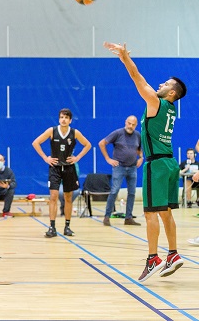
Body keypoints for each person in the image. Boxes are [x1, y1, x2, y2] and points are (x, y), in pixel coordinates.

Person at [104, 41, 187, 282]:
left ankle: (153, 258)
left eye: (166, 84)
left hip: (157, 165)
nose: (161, 84)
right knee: (166, 213)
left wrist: (124, 57)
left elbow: (136, 76)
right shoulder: (171, 109)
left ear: (172, 93)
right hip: (171, 163)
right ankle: (173, 253)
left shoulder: (156, 102)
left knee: (151, 214)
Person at [32, 108, 91, 238]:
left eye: (66, 117)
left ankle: (67, 226)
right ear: (59, 119)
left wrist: (77, 158)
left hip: (69, 168)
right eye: (61, 117)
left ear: (70, 120)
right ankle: (52, 227)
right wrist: (45, 158)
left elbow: (88, 145)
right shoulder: (52, 131)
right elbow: (35, 142)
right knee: (53, 196)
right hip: (55, 167)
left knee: (68, 197)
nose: (63, 119)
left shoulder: (74, 133)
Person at [98, 115, 144, 226]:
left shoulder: (137, 135)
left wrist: (141, 158)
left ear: (136, 125)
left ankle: (128, 218)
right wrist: (108, 159)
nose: (131, 126)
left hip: (132, 167)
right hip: (119, 167)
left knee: (132, 193)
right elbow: (102, 143)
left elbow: (139, 149)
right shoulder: (118, 133)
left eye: (133, 124)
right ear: (125, 122)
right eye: (129, 123)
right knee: (115, 191)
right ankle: (107, 216)